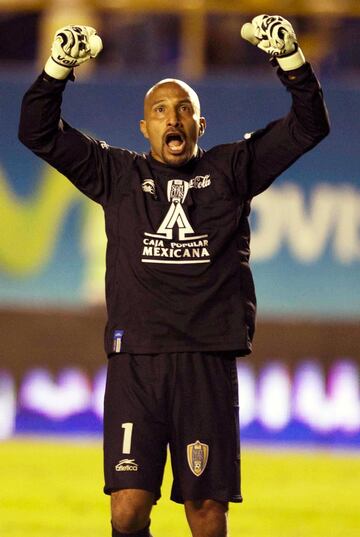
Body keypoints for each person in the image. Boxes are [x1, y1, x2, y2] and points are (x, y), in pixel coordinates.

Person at [18, 15, 330, 537]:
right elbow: (37, 131)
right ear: (145, 128)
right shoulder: (116, 174)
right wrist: (56, 69)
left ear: (200, 125)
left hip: (205, 362)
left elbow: (309, 126)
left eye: (184, 109)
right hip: (136, 362)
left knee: (206, 516)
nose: (173, 118)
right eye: (160, 111)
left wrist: (292, 61)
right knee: (127, 508)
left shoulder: (232, 170)